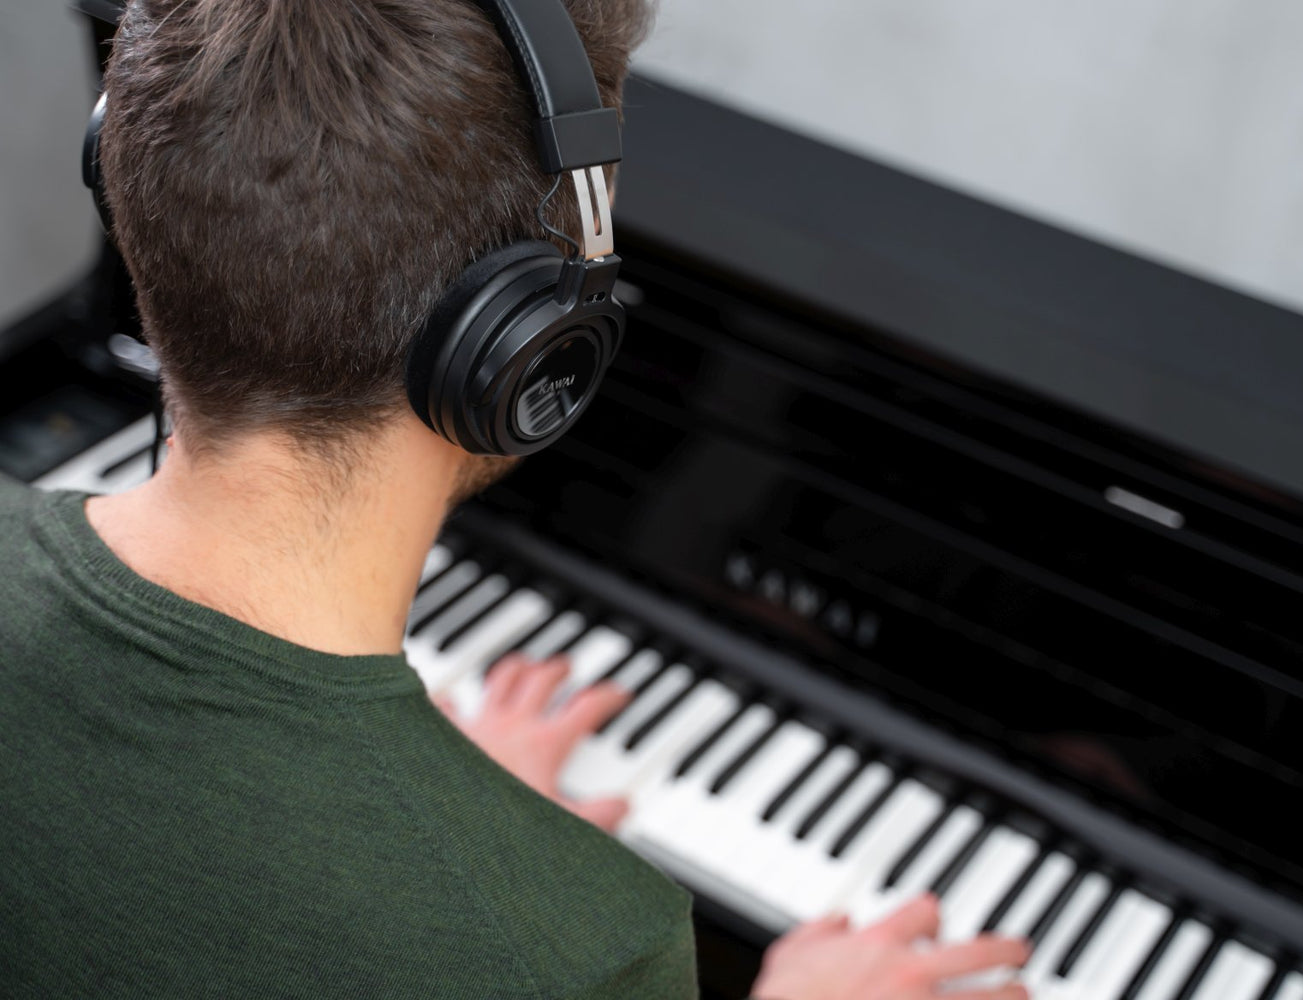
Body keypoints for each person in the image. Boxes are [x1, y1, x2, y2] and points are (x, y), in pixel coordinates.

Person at [0, 1, 1030, 997]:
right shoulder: (580, 953)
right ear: (532, 339)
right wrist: (500, 890)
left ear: (119, 172)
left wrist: (450, 839)